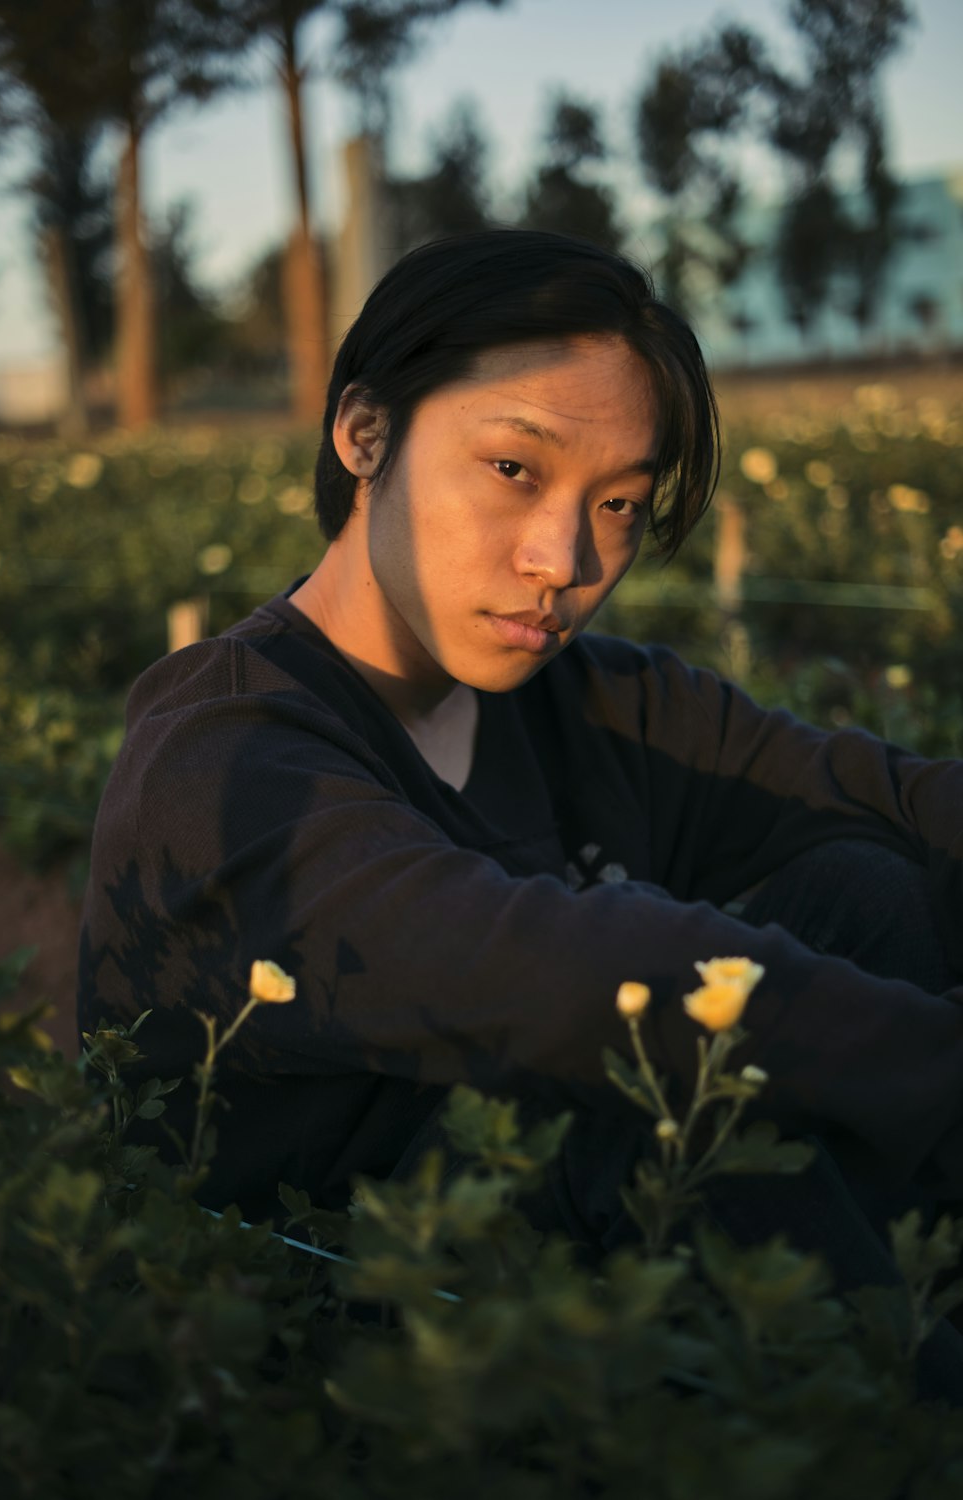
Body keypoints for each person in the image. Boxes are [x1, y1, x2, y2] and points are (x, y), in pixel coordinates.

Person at [78, 229, 963, 1310]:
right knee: (623, 1101)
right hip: (332, 1342)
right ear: (364, 433)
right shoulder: (217, 757)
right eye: (512, 469)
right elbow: (549, 972)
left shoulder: (594, 702)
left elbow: (888, 794)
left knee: (868, 889)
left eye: (618, 503)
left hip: (562, 1268)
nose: (564, 561)